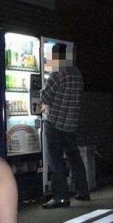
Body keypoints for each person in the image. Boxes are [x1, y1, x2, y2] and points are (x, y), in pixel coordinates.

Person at [41, 43, 90, 209]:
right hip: (71, 123)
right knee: (74, 157)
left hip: (54, 122)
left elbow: (44, 97)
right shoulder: (77, 73)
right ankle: (83, 191)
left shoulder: (56, 74)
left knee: (55, 160)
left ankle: (61, 197)